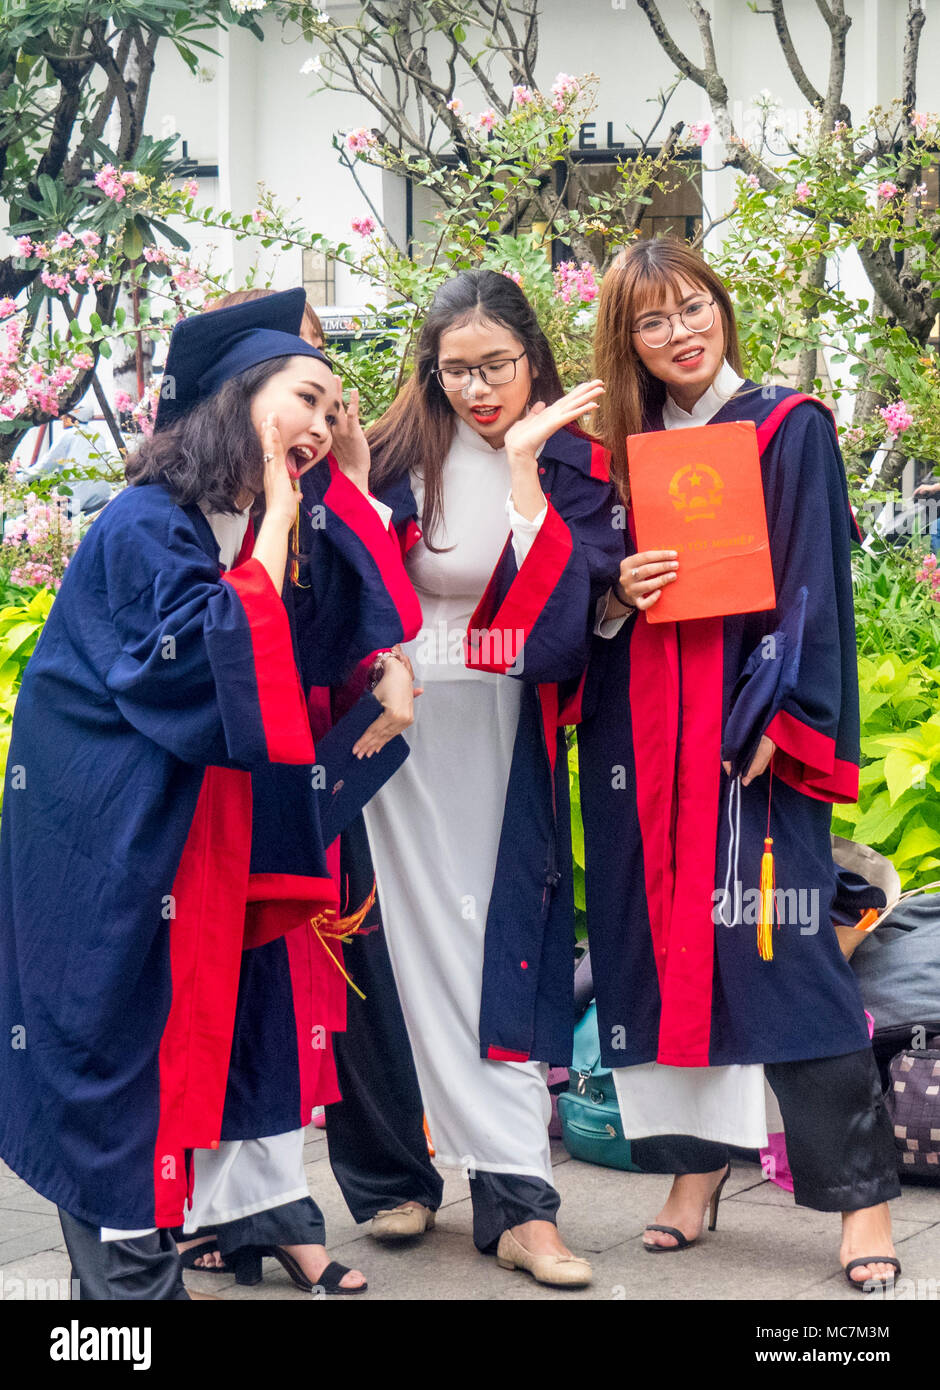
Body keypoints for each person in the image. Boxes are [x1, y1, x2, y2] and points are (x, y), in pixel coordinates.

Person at [0, 289, 411, 1298]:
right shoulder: (149, 524)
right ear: (237, 398)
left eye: (333, 409)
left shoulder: (230, 524)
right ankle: (127, 1292)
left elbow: (322, 634)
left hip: (188, 839)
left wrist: (373, 683)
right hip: (107, 837)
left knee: (188, 1048)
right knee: (112, 1049)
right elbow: (213, 657)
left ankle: (145, 1273)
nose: (320, 425)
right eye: (306, 400)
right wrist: (279, 515)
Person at [578, 238, 901, 1289]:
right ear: (626, 341)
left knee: (783, 948)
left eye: (692, 308)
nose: (680, 332)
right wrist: (615, 589)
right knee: (653, 952)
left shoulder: (783, 426)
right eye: (652, 320)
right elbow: (577, 606)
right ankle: (693, 1172)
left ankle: (859, 1201)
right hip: (643, 740)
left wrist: (793, 716)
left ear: (720, 308)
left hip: (745, 734)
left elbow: (815, 580)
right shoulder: (609, 453)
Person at [360, 269, 623, 1287]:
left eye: (496, 366)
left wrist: (521, 472)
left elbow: (548, 636)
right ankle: (394, 1175)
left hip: (502, 743)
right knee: (383, 947)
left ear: (532, 356)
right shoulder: (390, 457)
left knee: (495, 950)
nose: (477, 388)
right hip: (392, 739)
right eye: (455, 368)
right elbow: (346, 593)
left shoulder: (571, 463)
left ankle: (520, 1200)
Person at [185, 288, 444, 1262]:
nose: (312, 401)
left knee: (347, 953)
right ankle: (227, 1207)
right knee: (239, 974)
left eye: (319, 376)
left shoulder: (329, 478)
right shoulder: (189, 489)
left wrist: (390, 661)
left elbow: (377, 601)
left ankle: (385, 1173)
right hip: (223, 764)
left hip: (324, 753)